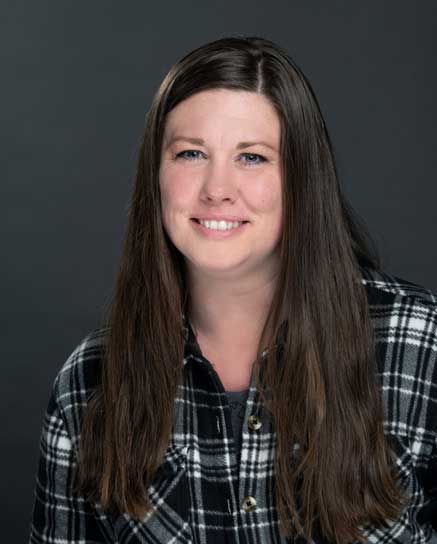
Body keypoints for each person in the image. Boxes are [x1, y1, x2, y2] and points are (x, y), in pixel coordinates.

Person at [29, 36, 437, 543]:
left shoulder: (421, 344)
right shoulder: (90, 383)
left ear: (301, 179)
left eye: (252, 158)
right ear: (156, 175)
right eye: (192, 153)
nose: (217, 188)